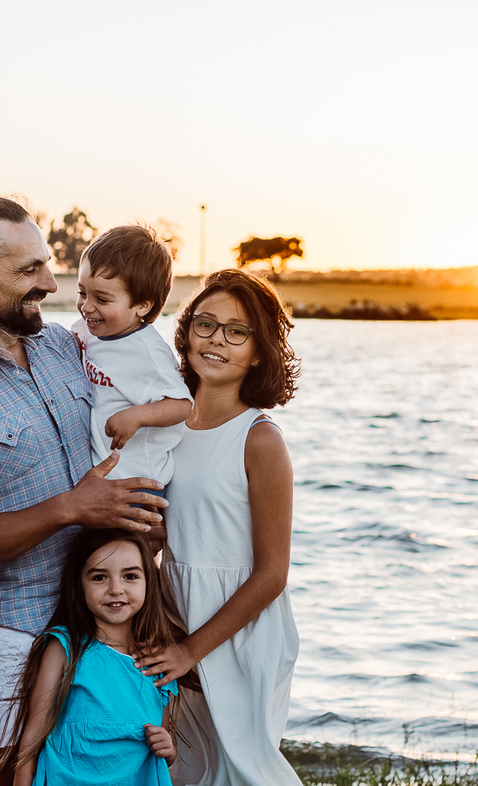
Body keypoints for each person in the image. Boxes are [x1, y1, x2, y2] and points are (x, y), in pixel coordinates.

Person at [0, 185, 170, 786]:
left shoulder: (68, 347)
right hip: (17, 627)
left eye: (49, 266)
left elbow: (143, 419)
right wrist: (69, 507)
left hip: (106, 626)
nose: (51, 285)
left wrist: (145, 523)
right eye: (30, 269)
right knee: (11, 780)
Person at [133, 269, 303, 786]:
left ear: (259, 352)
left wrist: (193, 649)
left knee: (243, 768)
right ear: (185, 334)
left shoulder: (260, 439)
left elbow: (273, 573)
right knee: (181, 766)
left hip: (239, 625)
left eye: (237, 331)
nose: (217, 341)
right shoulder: (164, 426)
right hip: (171, 612)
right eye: (206, 324)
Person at [0, 528, 179, 786]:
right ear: (78, 584)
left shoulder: (156, 662)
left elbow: (163, 739)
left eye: (130, 576)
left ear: (149, 581)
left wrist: (168, 749)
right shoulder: (66, 647)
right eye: (99, 577)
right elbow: (33, 737)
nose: (116, 589)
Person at [72, 225, 192, 499]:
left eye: (102, 298)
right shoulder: (89, 328)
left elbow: (182, 405)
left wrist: (137, 416)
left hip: (137, 483)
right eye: (82, 293)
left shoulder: (148, 354)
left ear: (143, 306)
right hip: (100, 476)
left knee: (118, 542)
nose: (87, 307)